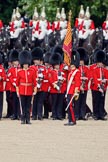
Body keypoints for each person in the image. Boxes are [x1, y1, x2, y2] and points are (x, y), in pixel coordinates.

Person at [16, 50, 37, 124]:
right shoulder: (20, 72)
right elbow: (17, 83)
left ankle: (28, 119)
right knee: (22, 106)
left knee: (28, 106)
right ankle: (22, 119)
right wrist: (17, 91)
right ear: (22, 64)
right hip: (22, 90)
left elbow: (34, 82)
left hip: (29, 91)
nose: (26, 65)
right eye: (24, 64)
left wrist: (35, 90)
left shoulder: (32, 71)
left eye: (27, 64)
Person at [64, 50, 81, 126]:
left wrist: (76, 91)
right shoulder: (70, 72)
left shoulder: (77, 72)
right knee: (69, 106)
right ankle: (70, 119)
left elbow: (77, 82)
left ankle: (73, 120)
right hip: (69, 91)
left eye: (72, 65)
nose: (71, 66)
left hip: (73, 91)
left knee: (70, 106)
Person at [74, 48, 90, 120]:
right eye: (80, 60)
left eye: (82, 61)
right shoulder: (76, 69)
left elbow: (89, 76)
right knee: (77, 102)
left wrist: (85, 79)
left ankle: (82, 115)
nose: (81, 62)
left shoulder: (86, 68)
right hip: (77, 87)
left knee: (83, 102)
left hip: (84, 87)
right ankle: (76, 115)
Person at [91, 50, 108, 120]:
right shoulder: (94, 70)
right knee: (96, 101)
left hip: (103, 87)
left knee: (102, 101)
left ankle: (101, 114)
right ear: (97, 62)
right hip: (96, 88)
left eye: (101, 63)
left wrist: (105, 83)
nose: (100, 64)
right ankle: (96, 114)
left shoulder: (105, 70)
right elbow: (95, 79)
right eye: (99, 62)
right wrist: (98, 87)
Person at [30, 47, 46, 120]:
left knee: (40, 102)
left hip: (41, 87)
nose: (36, 61)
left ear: (40, 60)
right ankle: (34, 115)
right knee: (34, 101)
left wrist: (42, 76)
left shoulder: (43, 68)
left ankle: (39, 115)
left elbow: (46, 76)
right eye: (35, 60)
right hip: (34, 87)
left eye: (37, 60)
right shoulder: (31, 67)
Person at [49, 52, 65, 120]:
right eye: (56, 65)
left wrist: (61, 83)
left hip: (61, 90)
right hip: (54, 90)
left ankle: (59, 115)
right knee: (54, 103)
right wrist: (55, 85)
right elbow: (50, 80)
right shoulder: (51, 72)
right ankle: (54, 115)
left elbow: (64, 80)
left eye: (58, 65)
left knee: (60, 103)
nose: (57, 66)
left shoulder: (62, 72)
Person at [8, 49, 20, 120]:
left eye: (16, 61)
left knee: (19, 102)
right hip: (13, 88)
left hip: (19, 87)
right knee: (14, 102)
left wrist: (17, 83)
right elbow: (10, 77)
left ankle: (18, 114)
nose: (16, 62)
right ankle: (14, 114)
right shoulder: (11, 69)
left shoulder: (20, 68)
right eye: (14, 61)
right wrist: (14, 83)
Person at [0, 52, 6, 120]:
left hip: (0, 88)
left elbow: (5, 77)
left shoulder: (1, 68)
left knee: (0, 103)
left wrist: (1, 78)